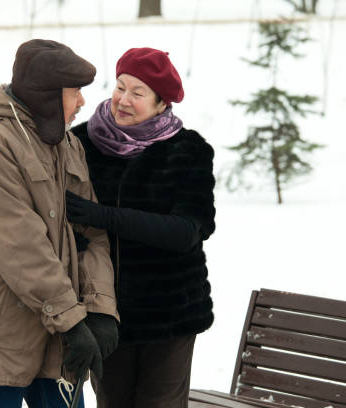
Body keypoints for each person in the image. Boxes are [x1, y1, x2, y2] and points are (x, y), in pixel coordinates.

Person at [0, 39, 119, 408]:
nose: (82, 103)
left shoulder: (65, 144)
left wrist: (100, 308)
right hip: (1, 327)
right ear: (46, 94)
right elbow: (19, 244)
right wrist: (73, 321)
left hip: (61, 330)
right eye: (75, 92)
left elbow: (90, 234)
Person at [66, 47, 216, 408]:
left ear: (162, 103)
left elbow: (187, 232)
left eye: (138, 93)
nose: (123, 100)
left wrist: (103, 216)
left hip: (170, 315)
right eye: (120, 87)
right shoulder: (81, 143)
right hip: (106, 313)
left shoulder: (187, 150)